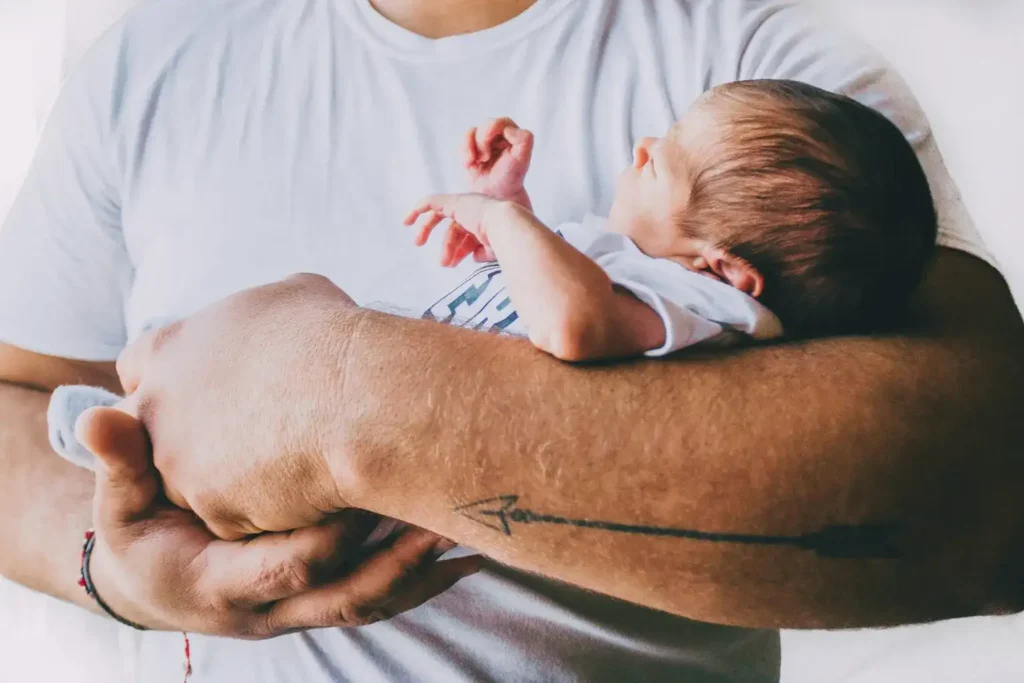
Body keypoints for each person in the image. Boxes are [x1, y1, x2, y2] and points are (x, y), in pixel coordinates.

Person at [0, 1, 1021, 682]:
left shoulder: (780, 99)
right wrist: (115, 572)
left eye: (659, 163)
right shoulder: (152, 59)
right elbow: (11, 391)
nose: (644, 155)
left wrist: (336, 391)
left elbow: (987, 494)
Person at [405, 80, 936, 361]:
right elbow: (543, 289)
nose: (642, 146)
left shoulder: (705, 307)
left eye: (660, 164)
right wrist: (511, 204)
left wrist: (498, 220)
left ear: (720, 269)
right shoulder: (642, 269)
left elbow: (570, 324)